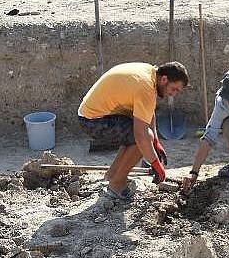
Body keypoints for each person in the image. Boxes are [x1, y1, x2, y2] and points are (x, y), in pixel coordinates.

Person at [78, 61, 189, 199]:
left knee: (137, 136)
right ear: (164, 79)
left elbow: (148, 111)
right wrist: (156, 164)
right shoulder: (146, 88)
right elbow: (141, 135)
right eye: (174, 89)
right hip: (93, 121)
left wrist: (155, 141)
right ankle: (116, 185)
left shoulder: (150, 73)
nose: (173, 94)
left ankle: (111, 176)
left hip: (92, 113)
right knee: (140, 139)